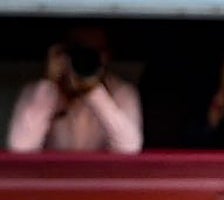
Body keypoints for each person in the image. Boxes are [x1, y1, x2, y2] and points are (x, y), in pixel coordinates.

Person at [7, 25, 142, 154]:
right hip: (52, 170)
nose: (87, 58)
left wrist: (93, 91)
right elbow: (21, 147)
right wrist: (50, 86)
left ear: (107, 56)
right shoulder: (37, 92)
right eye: (79, 51)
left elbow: (129, 148)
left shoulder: (122, 92)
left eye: (95, 52)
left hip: (102, 171)